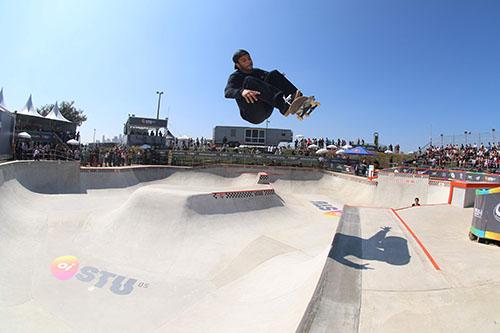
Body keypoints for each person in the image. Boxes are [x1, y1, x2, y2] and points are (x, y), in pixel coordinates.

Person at [224, 49, 303, 124]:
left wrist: (279, 79)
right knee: (249, 81)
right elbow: (228, 92)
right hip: (253, 113)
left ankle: (300, 102)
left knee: (274, 74)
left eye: (249, 59)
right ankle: (283, 105)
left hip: (266, 108)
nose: (249, 62)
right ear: (238, 64)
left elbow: (271, 78)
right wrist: (242, 92)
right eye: (244, 60)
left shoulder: (258, 72)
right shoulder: (235, 76)